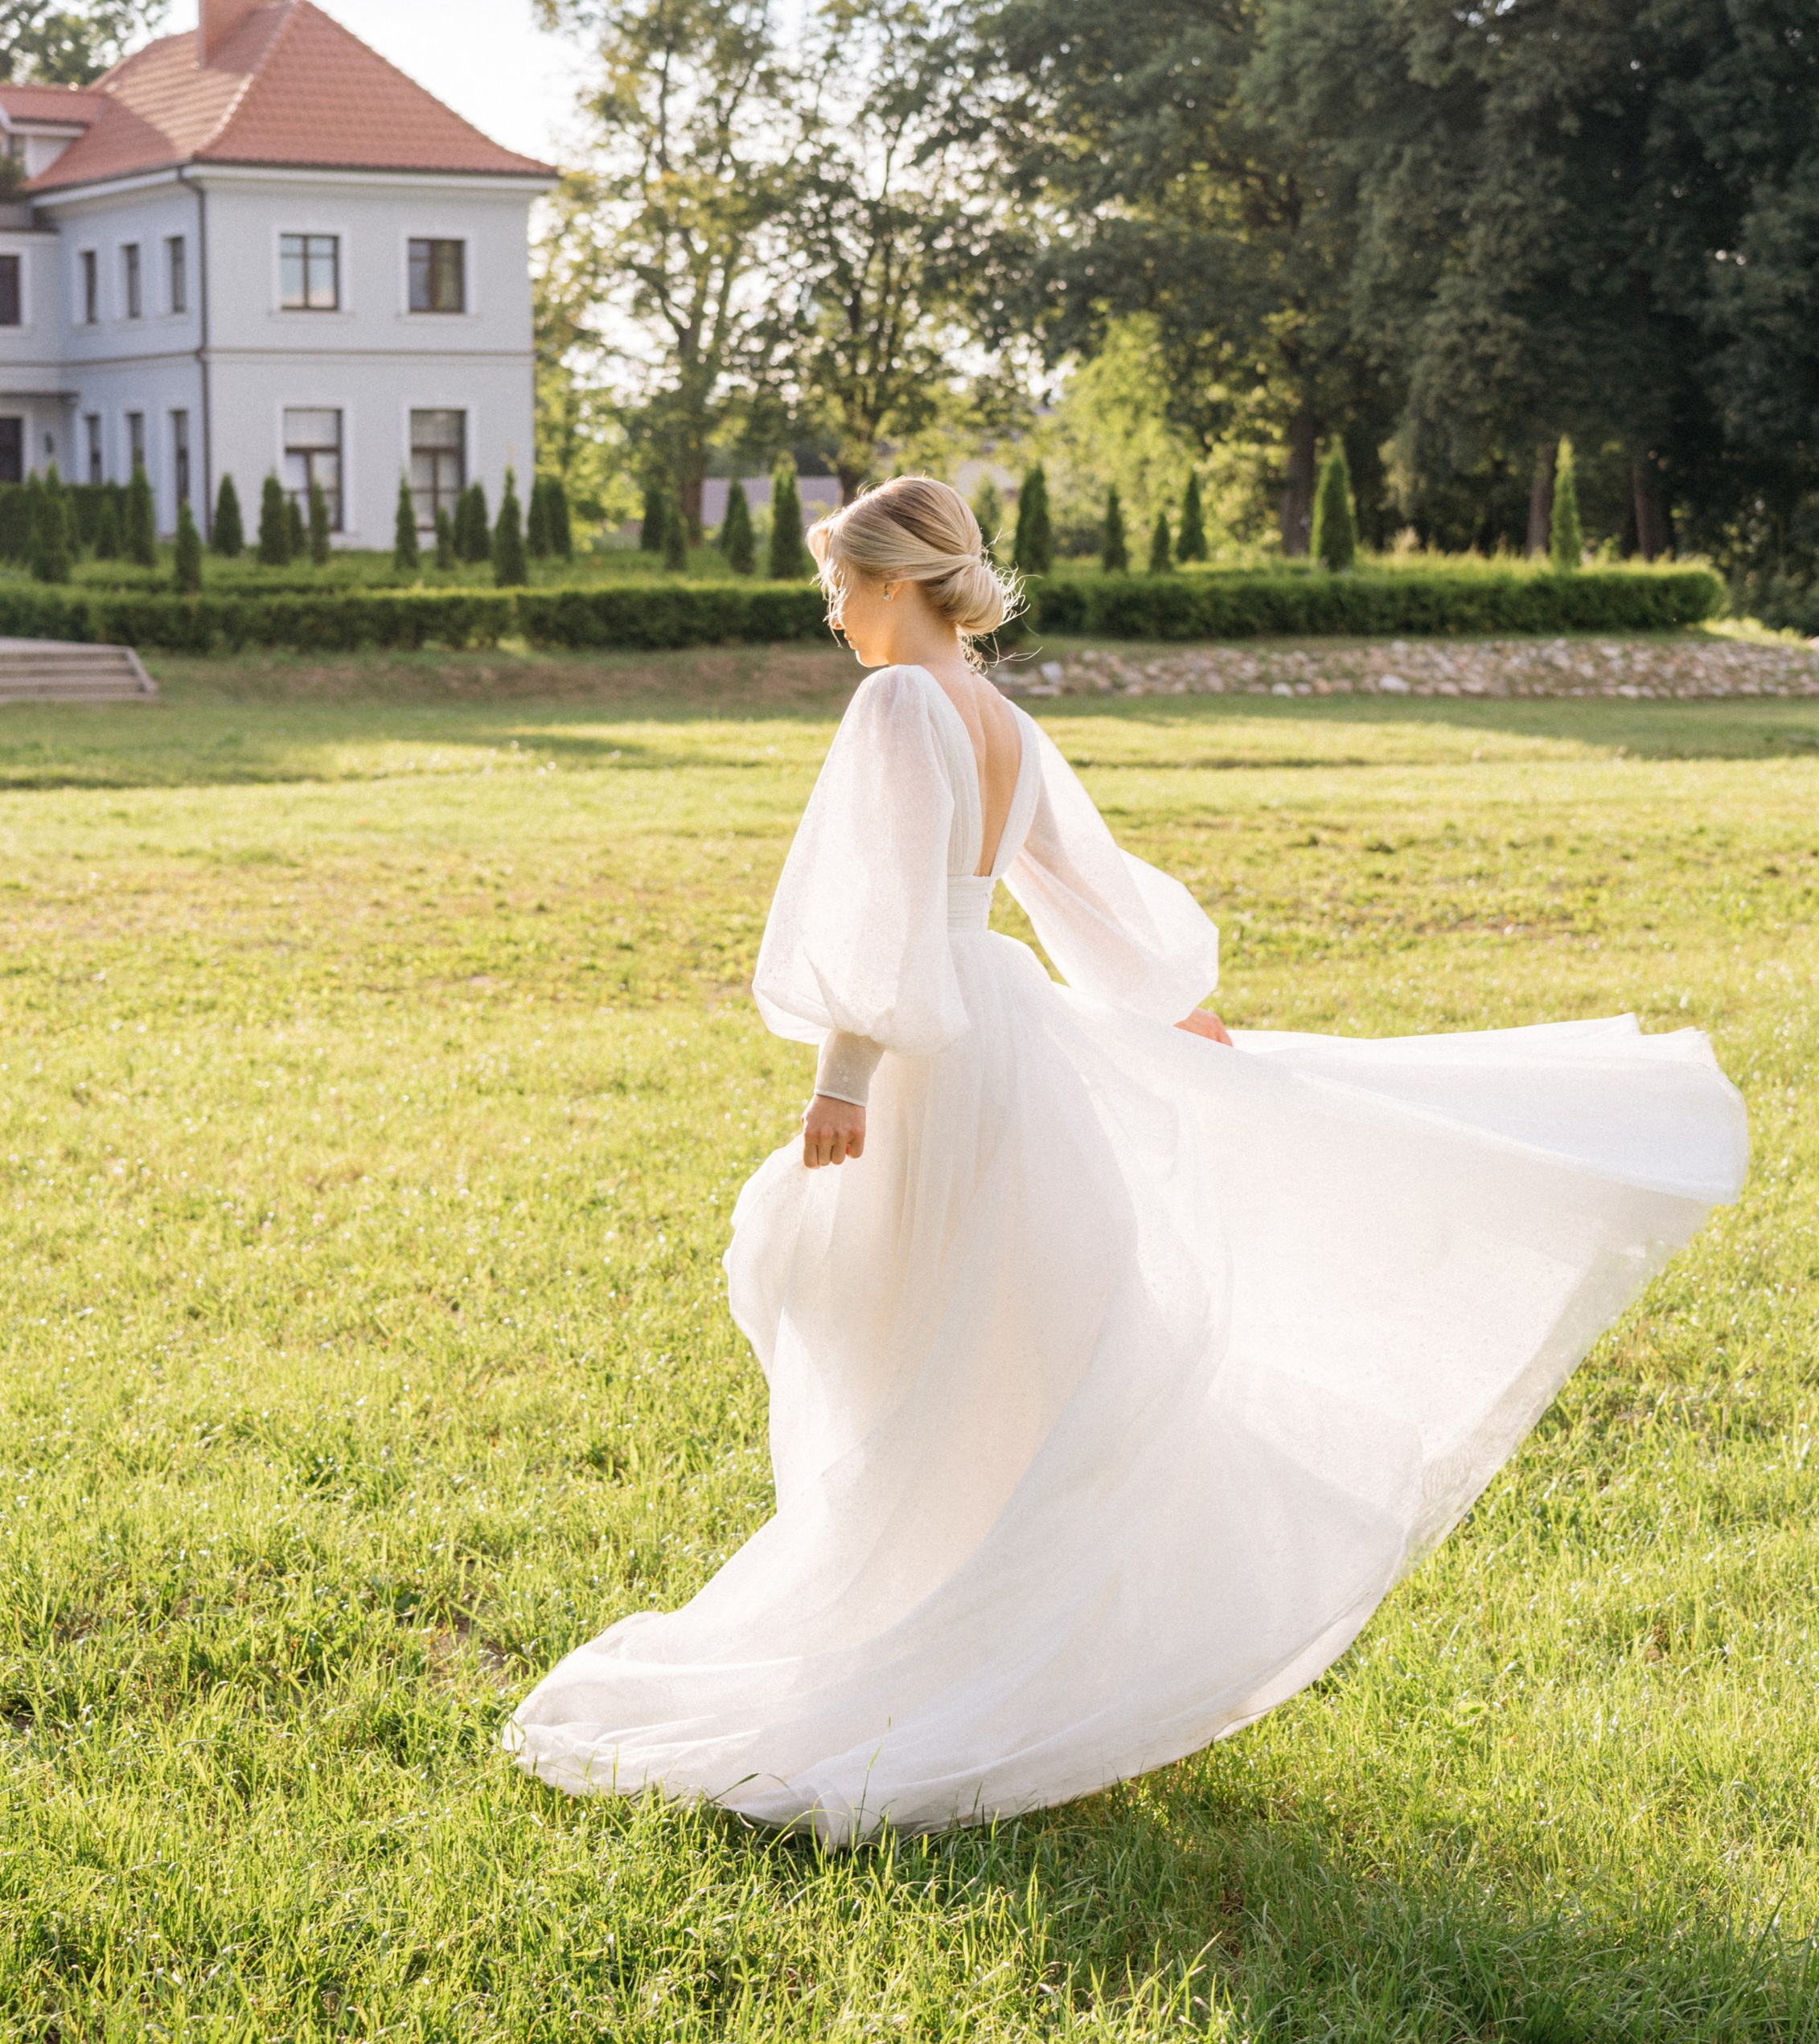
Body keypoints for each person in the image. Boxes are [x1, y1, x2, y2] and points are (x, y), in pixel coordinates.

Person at [505, 478, 1747, 1839]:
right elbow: (1080, 893)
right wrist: (1175, 1005)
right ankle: (992, 1629)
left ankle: (917, 1633)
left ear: (900, 582)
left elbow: (875, 908)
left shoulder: (900, 705)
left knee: (917, 1347)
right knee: (1009, 1345)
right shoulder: (1007, 720)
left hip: (931, 1061)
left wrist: (842, 1076)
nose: (832, 613)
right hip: (1011, 1043)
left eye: (842, 586)